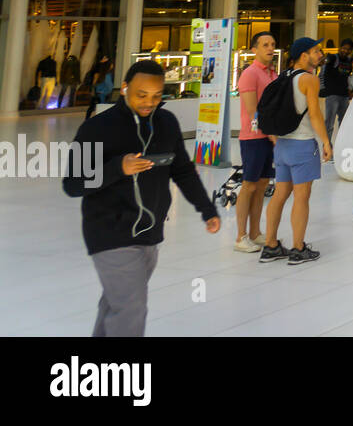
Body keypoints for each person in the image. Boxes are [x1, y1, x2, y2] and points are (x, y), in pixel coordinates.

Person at [62, 59, 219, 335]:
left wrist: (207, 209)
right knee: (131, 308)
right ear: (124, 89)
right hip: (109, 233)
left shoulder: (166, 123)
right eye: (141, 95)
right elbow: (73, 184)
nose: (150, 102)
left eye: (157, 96)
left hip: (149, 233)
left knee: (117, 304)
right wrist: (116, 168)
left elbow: (182, 171)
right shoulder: (96, 128)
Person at [259, 38, 332, 264]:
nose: (319, 54)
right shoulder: (309, 79)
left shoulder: (284, 76)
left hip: (282, 145)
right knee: (302, 197)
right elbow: (315, 114)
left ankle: (270, 245)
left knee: (280, 195)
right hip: (302, 144)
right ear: (303, 56)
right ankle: (298, 248)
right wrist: (326, 141)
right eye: (315, 51)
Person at [234, 31, 277, 253]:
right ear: (254, 49)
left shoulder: (272, 73)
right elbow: (252, 111)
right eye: (265, 45)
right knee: (249, 185)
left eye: (272, 44)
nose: (270, 48)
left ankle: (255, 232)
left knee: (261, 186)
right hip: (253, 138)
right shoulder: (250, 74)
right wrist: (271, 134)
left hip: (268, 137)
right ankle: (241, 236)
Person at [320, 40, 353, 145]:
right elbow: (324, 73)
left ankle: (341, 145)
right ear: (340, 47)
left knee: (344, 123)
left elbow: (347, 77)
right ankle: (327, 146)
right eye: (344, 48)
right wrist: (328, 89)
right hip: (333, 95)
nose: (345, 50)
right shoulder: (333, 58)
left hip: (344, 96)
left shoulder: (349, 61)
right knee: (329, 123)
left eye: (348, 49)